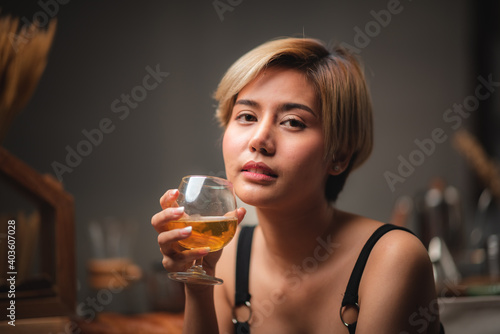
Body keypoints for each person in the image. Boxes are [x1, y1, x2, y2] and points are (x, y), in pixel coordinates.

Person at [151, 37, 443, 334]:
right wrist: (198, 284)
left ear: (339, 155)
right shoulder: (227, 255)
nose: (259, 140)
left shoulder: (394, 258)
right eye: (247, 116)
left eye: (292, 122)